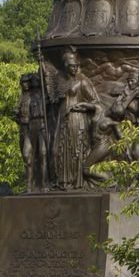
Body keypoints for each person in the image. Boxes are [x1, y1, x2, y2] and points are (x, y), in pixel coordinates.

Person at [51, 49, 101, 189]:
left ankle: (76, 181)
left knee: (75, 149)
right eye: (71, 66)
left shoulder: (82, 81)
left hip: (76, 118)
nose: (74, 68)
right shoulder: (60, 80)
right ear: (66, 66)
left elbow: (96, 103)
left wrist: (82, 105)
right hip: (62, 118)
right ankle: (63, 181)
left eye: (76, 66)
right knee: (60, 149)